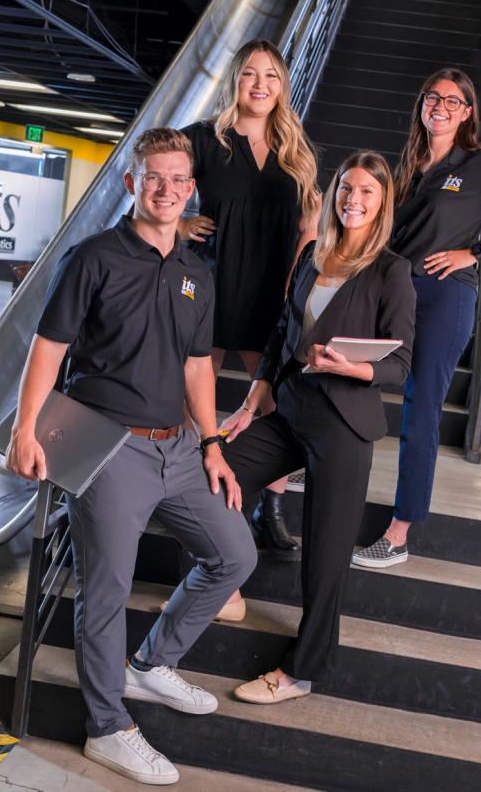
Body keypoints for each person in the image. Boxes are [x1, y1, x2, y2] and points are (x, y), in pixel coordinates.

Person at [5, 127, 257, 786]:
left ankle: (149, 665)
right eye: (154, 178)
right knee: (106, 590)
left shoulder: (196, 272)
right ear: (131, 184)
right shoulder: (93, 258)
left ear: (191, 186)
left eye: (179, 178)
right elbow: (50, 346)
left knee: (235, 553)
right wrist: (23, 429)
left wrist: (211, 445)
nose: (167, 190)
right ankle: (107, 727)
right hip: (107, 446)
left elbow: (199, 367)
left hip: (177, 445)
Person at [219, 152, 416, 703]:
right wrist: (255, 393)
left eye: (367, 193)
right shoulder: (314, 253)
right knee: (219, 473)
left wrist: (354, 368)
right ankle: (228, 586)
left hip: (344, 422)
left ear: (382, 204)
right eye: (346, 189)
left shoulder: (391, 270)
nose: (354, 200)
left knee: (326, 554)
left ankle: (301, 671)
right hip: (289, 409)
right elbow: (285, 327)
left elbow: (401, 365)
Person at [351, 67, 481, 569]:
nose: (439, 106)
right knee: (344, 374)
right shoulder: (408, 162)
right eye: (431, 96)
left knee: (421, 411)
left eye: (451, 100)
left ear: (467, 112)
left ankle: (399, 533)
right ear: (421, 104)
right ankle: (304, 461)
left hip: (445, 295)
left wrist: (476, 252)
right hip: (393, 287)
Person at [179, 39, 320, 576]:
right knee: (198, 388)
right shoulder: (203, 138)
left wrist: (297, 289)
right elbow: (155, 183)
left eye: (271, 77)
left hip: (273, 288)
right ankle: (192, 489)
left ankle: (271, 505)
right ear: (235, 81)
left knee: (276, 402)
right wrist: (181, 225)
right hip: (214, 279)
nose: (260, 85)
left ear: (282, 87)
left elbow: (309, 227)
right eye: (250, 75)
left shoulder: (296, 149)